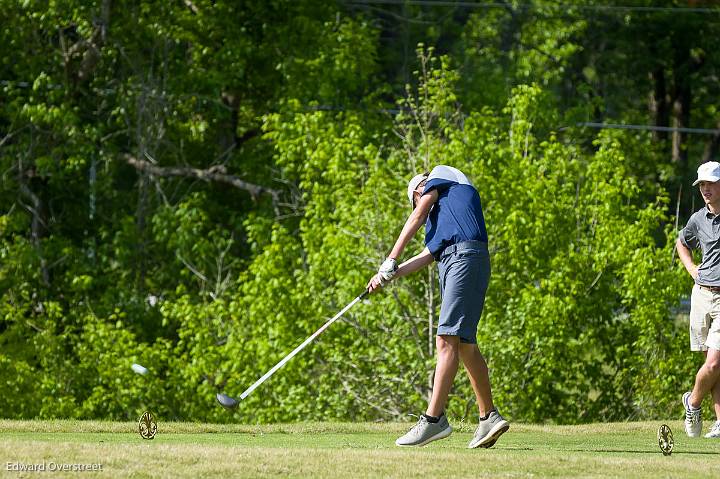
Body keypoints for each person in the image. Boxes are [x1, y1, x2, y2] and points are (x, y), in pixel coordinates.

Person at [366, 164, 509, 448]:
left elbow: (418, 215)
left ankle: (434, 421)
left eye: (416, 201)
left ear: (420, 191)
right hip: (465, 261)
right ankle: (488, 417)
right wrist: (387, 276)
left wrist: (390, 258)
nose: (420, 206)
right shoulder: (445, 218)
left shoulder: (440, 176)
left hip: (463, 259)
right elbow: (427, 255)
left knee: (445, 340)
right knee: (466, 345)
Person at [676, 160, 720, 439]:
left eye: (710, 183)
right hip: (702, 295)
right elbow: (682, 243)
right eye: (701, 184)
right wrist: (692, 269)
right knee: (714, 367)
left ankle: (692, 402)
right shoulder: (697, 219)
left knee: (715, 363)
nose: (705, 189)